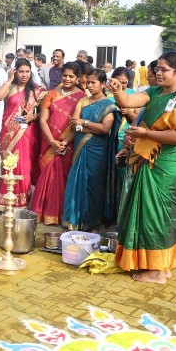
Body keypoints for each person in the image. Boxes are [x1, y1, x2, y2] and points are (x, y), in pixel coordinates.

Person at [107, 52, 176, 284]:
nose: (159, 72)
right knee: (149, 212)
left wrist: (146, 133)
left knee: (161, 212)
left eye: (165, 69)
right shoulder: (155, 92)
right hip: (150, 158)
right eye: (157, 68)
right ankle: (160, 266)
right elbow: (127, 102)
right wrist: (117, 89)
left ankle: (158, 271)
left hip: (169, 162)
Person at [62, 69, 120, 230]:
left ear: (103, 84)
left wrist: (84, 123)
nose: (90, 85)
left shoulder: (109, 104)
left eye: (93, 82)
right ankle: (74, 220)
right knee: (76, 181)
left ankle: (91, 220)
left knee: (94, 185)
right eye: (88, 82)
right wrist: (83, 126)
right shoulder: (83, 101)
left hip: (98, 150)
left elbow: (105, 129)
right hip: (81, 148)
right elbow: (74, 124)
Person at [31, 62, 86, 224]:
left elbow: (78, 123)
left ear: (77, 78)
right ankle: (42, 212)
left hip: (68, 144)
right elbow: (42, 120)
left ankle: (62, 214)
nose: (67, 79)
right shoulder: (51, 94)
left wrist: (64, 142)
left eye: (71, 76)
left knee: (63, 178)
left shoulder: (82, 97)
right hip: (49, 141)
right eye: (65, 75)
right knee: (47, 175)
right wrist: (52, 141)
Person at [0, 59, 46, 211]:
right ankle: (4, 200)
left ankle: (21, 201)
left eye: (27, 72)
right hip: (7, 133)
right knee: (8, 164)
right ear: (15, 71)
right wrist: (9, 79)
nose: (24, 75)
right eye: (21, 71)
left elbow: (45, 112)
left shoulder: (38, 90)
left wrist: (33, 117)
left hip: (26, 133)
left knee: (23, 165)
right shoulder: (10, 88)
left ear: (31, 73)